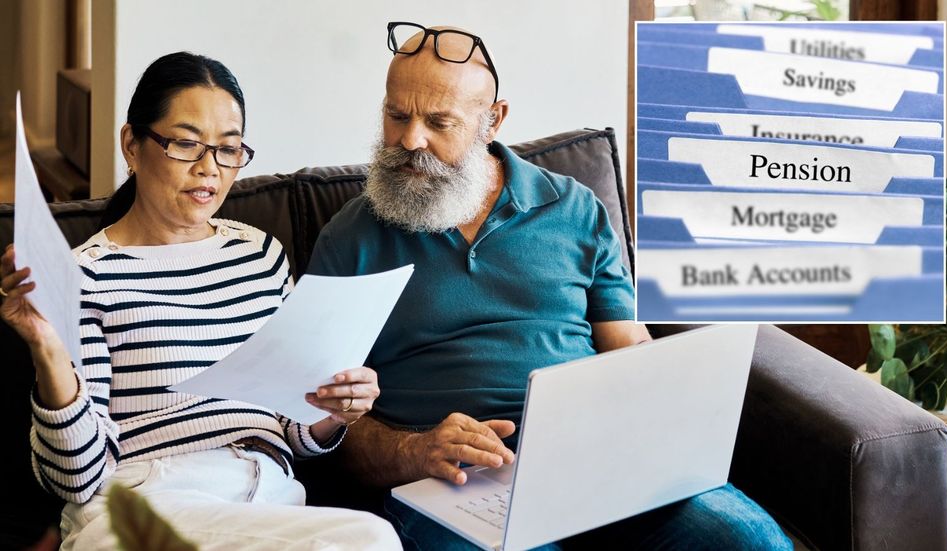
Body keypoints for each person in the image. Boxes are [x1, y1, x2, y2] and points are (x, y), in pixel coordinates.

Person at [305, 23, 792, 550]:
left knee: (749, 541)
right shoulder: (352, 236)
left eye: (439, 122)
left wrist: (660, 426)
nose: (409, 140)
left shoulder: (574, 208)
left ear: (493, 121)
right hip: (449, 483)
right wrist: (416, 451)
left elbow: (631, 350)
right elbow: (325, 421)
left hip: (598, 462)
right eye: (396, 114)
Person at [0, 52, 399, 550]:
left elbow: (295, 431)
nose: (209, 169)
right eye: (187, 144)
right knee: (368, 539)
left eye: (228, 149)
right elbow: (76, 478)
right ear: (132, 144)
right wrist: (48, 350)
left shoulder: (261, 254)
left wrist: (335, 410)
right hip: (149, 501)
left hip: (269, 499)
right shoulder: (86, 274)